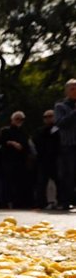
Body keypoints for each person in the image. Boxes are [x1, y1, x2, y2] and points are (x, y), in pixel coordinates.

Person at [0, 111, 30, 208]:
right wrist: (11, 143)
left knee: (19, 182)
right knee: (6, 183)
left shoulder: (24, 132)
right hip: (7, 160)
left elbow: (27, 146)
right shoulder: (5, 130)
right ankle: (4, 202)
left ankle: (18, 202)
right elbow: (0, 143)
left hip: (20, 161)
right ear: (12, 120)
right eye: (17, 119)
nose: (19, 121)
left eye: (21, 119)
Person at [55, 79, 76, 210]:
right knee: (69, 174)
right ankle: (66, 201)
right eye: (73, 88)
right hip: (69, 145)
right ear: (67, 91)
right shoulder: (60, 106)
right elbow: (61, 123)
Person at [33, 109, 60, 209]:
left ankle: (60, 201)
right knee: (41, 182)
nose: (48, 119)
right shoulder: (40, 130)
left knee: (59, 181)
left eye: (50, 116)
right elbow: (36, 142)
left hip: (56, 159)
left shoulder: (59, 129)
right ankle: (40, 203)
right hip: (43, 159)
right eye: (46, 117)